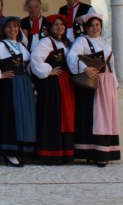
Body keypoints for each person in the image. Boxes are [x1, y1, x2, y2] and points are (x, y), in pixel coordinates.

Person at [67, 13, 120, 167]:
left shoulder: (105, 43)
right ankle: (96, 153)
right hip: (93, 84)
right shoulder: (82, 40)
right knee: (97, 117)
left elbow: (112, 64)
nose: (95, 28)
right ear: (86, 28)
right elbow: (72, 57)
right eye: (92, 25)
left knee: (107, 116)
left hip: (107, 82)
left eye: (98, 25)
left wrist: (114, 81)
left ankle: (106, 151)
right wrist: (86, 68)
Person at [0, 16, 35, 167]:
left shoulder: (21, 46)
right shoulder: (1, 46)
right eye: (9, 27)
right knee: (11, 117)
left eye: (15, 27)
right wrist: (0, 75)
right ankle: (10, 153)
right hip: (10, 86)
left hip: (23, 85)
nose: (13, 29)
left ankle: (19, 151)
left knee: (22, 117)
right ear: (4, 30)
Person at [30, 14, 75, 164]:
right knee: (53, 116)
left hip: (65, 84)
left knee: (65, 116)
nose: (60, 27)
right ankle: (50, 153)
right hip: (53, 85)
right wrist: (48, 71)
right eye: (56, 25)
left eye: (62, 24)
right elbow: (35, 59)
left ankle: (64, 152)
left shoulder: (66, 43)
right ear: (50, 28)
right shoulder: (46, 42)